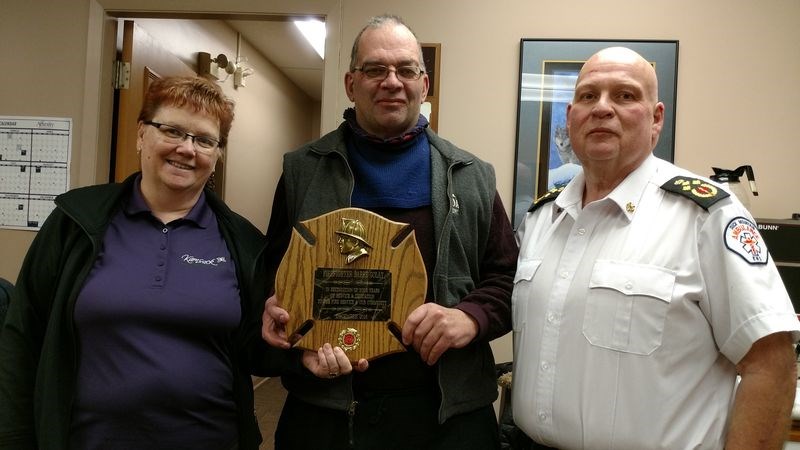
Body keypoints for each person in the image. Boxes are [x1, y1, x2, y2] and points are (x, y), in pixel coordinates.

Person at [512, 46, 800, 449]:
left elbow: (772, 366)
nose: (602, 108)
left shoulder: (705, 216)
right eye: (587, 96)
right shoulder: (542, 219)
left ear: (656, 119)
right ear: (571, 115)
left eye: (625, 96)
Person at [261, 14, 518, 450]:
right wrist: (290, 339)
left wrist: (469, 318)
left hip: (446, 414)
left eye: (405, 69)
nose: (391, 81)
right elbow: (271, 277)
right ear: (350, 83)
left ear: (424, 84)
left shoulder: (472, 176)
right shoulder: (302, 170)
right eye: (375, 69)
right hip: (327, 412)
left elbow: (509, 280)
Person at [0, 76, 286, 450]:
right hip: (88, 440)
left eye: (204, 140)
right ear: (141, 134)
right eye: (172, 131)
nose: (187, 149)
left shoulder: (244, 243)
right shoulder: (76, 222)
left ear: (217, 155)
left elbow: (254, 353)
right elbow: (22, 336)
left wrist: (284, 337)